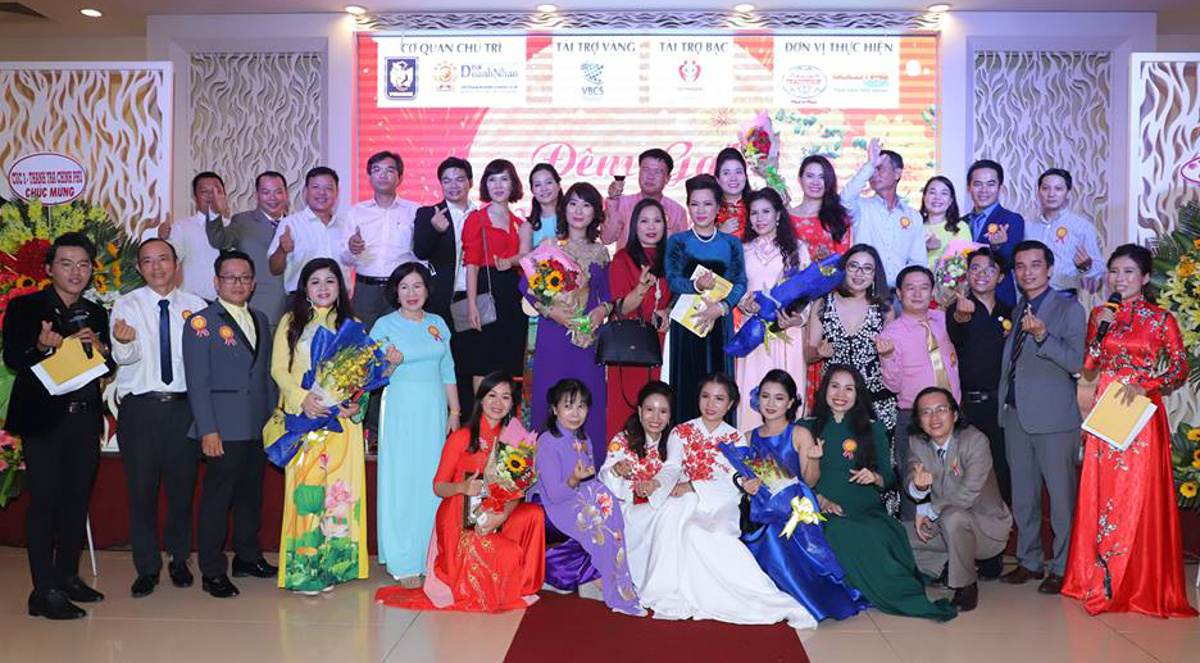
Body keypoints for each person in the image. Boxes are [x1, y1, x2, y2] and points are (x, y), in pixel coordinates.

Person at [1063, 244, 1197, 617]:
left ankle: (1137, 580)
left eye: (1128, 272)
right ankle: (1097, 577)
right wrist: (1100, 329)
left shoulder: (1161, 319)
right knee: (1103, 491)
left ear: (1145, 277)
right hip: (1107, 407)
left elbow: (1179, 368)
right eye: (1114, 272)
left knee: (1137, 492)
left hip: (1140, 411)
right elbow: (1090, 364)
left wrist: (1147, 385)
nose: (1119, 279)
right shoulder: (1100, 314)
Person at [635, 374, 815, 627]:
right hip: (685, 498)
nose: (711, 404)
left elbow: (733, 477)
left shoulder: (735, 438)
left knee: (704, 531)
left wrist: (712, 485)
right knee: (678, 520)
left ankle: (736, 597)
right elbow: (672, 467)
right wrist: (657, 483)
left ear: (730, 404)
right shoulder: (681, 431)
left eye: (719, 398)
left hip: (721, 500)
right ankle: (675, 589)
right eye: (706, 396)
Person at [4, 232, 112, 619]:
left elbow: (106, 366)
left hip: (84, 418)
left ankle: (68, 576)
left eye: (83, 265)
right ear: (50, 269)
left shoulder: (95, 312)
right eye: (66, 264)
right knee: (46, 500)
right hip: (45, 420)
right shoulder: (26, 307)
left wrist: (102, 351)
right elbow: (14, 358)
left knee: (76, 500)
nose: (75, 272)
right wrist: (43, 346)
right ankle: (44, 590)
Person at [375, 373, 545, 612]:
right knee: (506, 553)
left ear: (512, 404)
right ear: (481, 399)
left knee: (534, 514)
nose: (498, 403)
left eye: (505, 397)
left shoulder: (514, 439)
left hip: (497, 512)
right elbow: (438, 486)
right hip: (460, 517)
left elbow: (516, 490)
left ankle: (523, 585)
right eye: (492, 395)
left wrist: (502, 515)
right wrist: (462, 487)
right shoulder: (461, 437)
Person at [271, 259, 389, 593]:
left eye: (330, 281)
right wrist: (303, 399)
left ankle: (335, 567)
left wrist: (356, 404)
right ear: (305, 288)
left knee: (341, 491)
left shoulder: (353, 324)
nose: (323, 288)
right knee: (306, 491)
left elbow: (362, 377)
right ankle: (305, 571)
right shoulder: (291, 321)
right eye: (315, 282)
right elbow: (278, 369)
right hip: (304, 417)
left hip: (341, 423)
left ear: (341, 287)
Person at [808, 365, 956, 621]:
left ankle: (896, 592)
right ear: (824, 390)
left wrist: (874, 477)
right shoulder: (806, 427)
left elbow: (889, 479)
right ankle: (855, 590)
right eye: (835, 386)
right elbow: (797, 478)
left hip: (867, 508)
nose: (841, 394)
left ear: (858, 394)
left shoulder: (873, 428)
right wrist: (819, 499)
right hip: (824, 508)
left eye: (849, 388)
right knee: (838, 530)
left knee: (878, 531)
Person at [110, 238, 208, 598]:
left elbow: (203, 362)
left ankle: (180, 559)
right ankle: (147, 567)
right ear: (139, 268)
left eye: (163, 259)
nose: (156, 267)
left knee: (182, 490)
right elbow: (125, 358)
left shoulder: (196, 306)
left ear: (176, 264)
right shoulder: (127, 304)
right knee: (141, 492)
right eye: (148, 261)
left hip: (183, 408)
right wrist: (123, 342)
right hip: (141, 409)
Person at [738, 370, 870, 621]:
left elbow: (810, 481)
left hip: (796, 508)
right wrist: (746, 484)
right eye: (765, 396)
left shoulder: (799, 434)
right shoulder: (748, 437)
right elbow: (743, 478)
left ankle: (798, 597)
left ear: (790, 403)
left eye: (779, 398)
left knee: (775, 535)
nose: (770, 403)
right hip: (761, 508)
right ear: (757, 399)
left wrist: (814, 459)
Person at [182, 250, 275, 599]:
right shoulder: (200, 323)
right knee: (217, 501)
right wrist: (207, 429)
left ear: (253, 283)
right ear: (216, 282)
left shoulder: (261, 319)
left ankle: (247, 558)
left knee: (251, 496)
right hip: (221, 428)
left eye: (244, 277)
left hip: (255, 425)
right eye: (230, 277)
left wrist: (272, 421)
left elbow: (265, 377)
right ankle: (212, 570)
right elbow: (197, 382)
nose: (238, 283)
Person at [998, 240, 1085, 595]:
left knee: (1061, 500)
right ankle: (1030, 561)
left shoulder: (1069, 308)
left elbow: (1076, 362)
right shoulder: (1019, 307)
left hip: (1054, 420)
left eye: (1035, 265)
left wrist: (1043, 336)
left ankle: (1064, 567)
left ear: (1049, 269)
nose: (1027, 272)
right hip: (1016, 415)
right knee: (1023, 497)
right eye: (1020, 266)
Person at [370, 262, 460, 586]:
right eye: (404, 287)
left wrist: (455, 411)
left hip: (434, 413)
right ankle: (402, 559)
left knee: (430, 480)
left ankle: (428, 554)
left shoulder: (437, 323)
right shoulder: (383, 326)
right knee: (402, 481)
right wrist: (390, 365)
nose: (411, 293)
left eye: (417, 286)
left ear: (427, 290)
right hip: (400, 411)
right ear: (395, 291)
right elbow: (373, 377)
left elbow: (447, 369)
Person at [532, 379, 644, 616]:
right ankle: (599, 579)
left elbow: (590, 479)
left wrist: (603, 494)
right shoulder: (548, 441)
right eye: (568, 406)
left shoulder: (583, 439)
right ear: (554, 409)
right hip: (550, 505)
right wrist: (575, 479)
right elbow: (556, 493)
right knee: (596, 522)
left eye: (581, 406)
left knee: (611, 511)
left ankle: (601, 578)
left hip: (576, 498)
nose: (575, 413)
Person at [524, 183, 612, 464]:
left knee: (589, 400)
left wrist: (601, 310)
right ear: (564, 209)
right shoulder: (549, 247)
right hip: (553, 337)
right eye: (573, 203)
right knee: (549, 399)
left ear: (595, 213)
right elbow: (528, 289)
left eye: (586, 205)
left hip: (586, 339)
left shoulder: (601, 252)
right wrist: (555, 314)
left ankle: (590, 472)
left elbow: (608, 295)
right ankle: (544, 474)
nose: (579, 211)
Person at [904, 387, 1012, 612]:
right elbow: (910, 476)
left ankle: (966, 585)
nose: (934, 418)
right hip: (942, 525)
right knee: (894, 535)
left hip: (984, 529)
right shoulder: (916, 442)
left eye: (941, 410)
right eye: (926, 412)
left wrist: (928, 511)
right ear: (918, 421)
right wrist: (918, 487)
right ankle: (947, 565)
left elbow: (967, 493)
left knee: (952, 516)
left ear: (954, 414)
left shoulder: (975, 441)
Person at [878, 264, 961, 520]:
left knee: (954, 484)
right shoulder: (891, 333)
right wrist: (887, 356)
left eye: (924, 287)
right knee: (914, 486)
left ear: (932, 291)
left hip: (952, 416)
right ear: (899, 293)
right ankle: (913, 542)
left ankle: (951, 540)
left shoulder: (945, 321)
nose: (917, 294)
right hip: (914, 419)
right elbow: (892, 386)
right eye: (910, 288)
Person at [665, 174, 747, 424]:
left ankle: (720, 445)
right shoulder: (678, 241)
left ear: (718, 207)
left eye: (707, 204)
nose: (701, 210)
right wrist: (695, 285)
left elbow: (740, 282)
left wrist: (722, 308)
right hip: (686, 325)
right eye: (695, 204)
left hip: (719, 324)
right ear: (688, 206)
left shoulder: (731, 243)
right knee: (686, 387)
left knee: (719, 385)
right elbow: (672, 280)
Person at [735, 187, 810, 428]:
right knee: (751, 389)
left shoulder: (798, 249)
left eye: (766, 211)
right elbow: (738, 287)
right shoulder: (743, 250)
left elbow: (808, 292)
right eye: (754, 213)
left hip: (787, 331)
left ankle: (790, 445)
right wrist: (744, 304)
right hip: (754, 332)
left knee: (786, 391)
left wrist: (798, 318)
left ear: (778, 214)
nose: (760, 218)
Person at [804, 245, 896, 435]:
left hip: (877, 402)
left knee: (876, 452)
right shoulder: (823, 304)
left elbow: (892, 360)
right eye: (853, 266)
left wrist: (887, 353)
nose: (859, 273)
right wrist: (818, 353)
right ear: (843, 269)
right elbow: (808, 355)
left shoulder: (884, 309)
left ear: (875, 274)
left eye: (867, 268)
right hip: (835, 402)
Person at [946, 248, 1013, 505]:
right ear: (967, 274)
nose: (981, 274)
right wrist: (961, 318)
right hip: (970, 406)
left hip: (1003, 405)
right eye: (975, 268)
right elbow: (956, 335)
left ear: (1001, 276)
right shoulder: (958, 308)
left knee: (1004, 469)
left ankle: (1005, 523)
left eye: (989, 269)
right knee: (970, 471)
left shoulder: (1010, 311)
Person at [412, 156, 477, 414]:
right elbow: (420, 250)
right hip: (440, 301)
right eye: (447, 180)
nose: (453, 185)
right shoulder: (428, 213)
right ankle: (439, 416)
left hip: (472, 299)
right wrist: (434, 230)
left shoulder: (481, 215)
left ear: (470, 182)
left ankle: (464, 419)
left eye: (459, 179)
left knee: (467, 363)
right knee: (439, 360)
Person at [459, 159, 530, 391]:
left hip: (513, 297)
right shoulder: (476, 218)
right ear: (485, 185)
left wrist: (512, 261)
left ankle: (508, 413)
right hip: (485, 294)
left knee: (511, 360)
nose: (498, 185)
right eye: (492, 179)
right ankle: (481, 413)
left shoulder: (520, 223)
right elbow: (471, 265)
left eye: (504, 179)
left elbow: (525, 258)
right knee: (482, 359)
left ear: (513, 184)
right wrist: (472, 305)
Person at [598, 381, 675, 588]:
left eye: (663, 411)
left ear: (670, 416)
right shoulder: (623, 440)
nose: (655, 418)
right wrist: (616, 471)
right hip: (626, 509)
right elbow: (603, 479)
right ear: (640, 411)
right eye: (650, 410)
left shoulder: (674, 444)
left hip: (659, 508)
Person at [606, 198, 671, 439]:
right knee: (625, 408)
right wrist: (641, 289)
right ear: (635, 226)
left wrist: (669, 310)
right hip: (629, 346)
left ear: (665, 225)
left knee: (658, 408)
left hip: (662, 342)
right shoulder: (622, 259)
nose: (651, 226)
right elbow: (620, 308)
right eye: (644, 221)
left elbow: (678, 296)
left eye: (657, 221)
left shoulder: (671, 259)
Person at [342, 150, 421, 328]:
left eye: (390, 170)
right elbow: (345, 258)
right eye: (377, 170)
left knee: (399, 339)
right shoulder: (356, 212)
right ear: (370, 178)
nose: (383, 175)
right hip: (365, 289)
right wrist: (352, 249)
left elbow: (421, 255)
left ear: (400, 178)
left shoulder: (415, 211)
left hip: (400, 289)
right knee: (361, 341)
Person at [205, 170, 290, 327]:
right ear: (257, 195)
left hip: (294, 309)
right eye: (266, 192)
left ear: (286, 194)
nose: (272, 198)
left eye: (278, 192)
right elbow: (220, 241)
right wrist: (215, 212)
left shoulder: (296, 223)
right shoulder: (243, 221)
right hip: (259, 307)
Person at [843, 139, 925, 287]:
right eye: (872, 170)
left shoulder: (913, 216)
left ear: (897, 174)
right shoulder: (862, 207)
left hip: (899, 293)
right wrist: (869, 165)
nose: (874, 174)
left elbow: (918, 262)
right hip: (865, 291)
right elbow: (844, 200)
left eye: (879, 168)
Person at [267, 166, 349, 296]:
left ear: (336, 192)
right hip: (301, 298)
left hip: (339, 298)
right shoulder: (291, 224)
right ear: (305, 191)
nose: (322, 193)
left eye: (328, 188)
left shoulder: (345, 226)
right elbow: (275, 269)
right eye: (315, 187)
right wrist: (282, 250)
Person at [148, 172, 228, 301]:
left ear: (224, 194)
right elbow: (170, 261)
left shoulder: (234, 226)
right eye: (204, 191)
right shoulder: (182, 227)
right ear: (195, 197)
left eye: (216, 190)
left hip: (230, 302)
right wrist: (163, 240)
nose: (211, 195)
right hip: (195, 302)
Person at [1025, 168, 1104, 296]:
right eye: (1045, 188)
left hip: (1064, 296)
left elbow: (1099, 269)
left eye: (1058, 189)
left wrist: (1086, 267)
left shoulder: (1082, 227)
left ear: (1068, 193)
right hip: (1030, 297)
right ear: (1038, 192)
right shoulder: (1028, 225)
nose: (1051, 194)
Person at [964, 159, 1025, 306]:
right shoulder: (961, 223)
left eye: (990, 184)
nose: (984, 190)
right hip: (964, 300)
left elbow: (1012, 262)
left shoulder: (1012, 220)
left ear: (1000, 188)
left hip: (999, 300)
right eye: (978, 184)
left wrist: (998, 247)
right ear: (969, 188)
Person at [602, 148, 689, 244]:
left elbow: (682, 249)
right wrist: (613, 200)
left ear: (667, 178)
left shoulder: (678, 211)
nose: (650, 176)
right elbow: (606, 239)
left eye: (658, 171)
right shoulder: (621, 204)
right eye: (646, 170)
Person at [788, 155, 852, 261]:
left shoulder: (838, 218)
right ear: (800, 179)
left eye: (822, 177)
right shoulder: (786, 217)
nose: (815, 182)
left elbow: (843, 260)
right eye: (810, 176)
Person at [920, 176, 969, 266]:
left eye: (944, 193)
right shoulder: (915, 226)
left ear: (950, 200)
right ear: (924, 197)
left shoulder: (960, 228)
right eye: (932, 192)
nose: (937, 197)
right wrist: (924, 248)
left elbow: (964, 264)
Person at [525, 162, 562, 250]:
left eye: (548, 182)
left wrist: (558, 242)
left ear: (558, 185)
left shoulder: (572, 217)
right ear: (532, 191)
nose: (544, 189)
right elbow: (524, 255)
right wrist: (540, 249)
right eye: (538, 185)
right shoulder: (528, 226)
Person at [714, 147, 751, 235]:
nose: (733, 178)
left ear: (745, 176)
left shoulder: (757, 204)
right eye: (726, 173)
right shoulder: (710, 209)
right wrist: (720, 234)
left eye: (738, 172)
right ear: (717, 179)